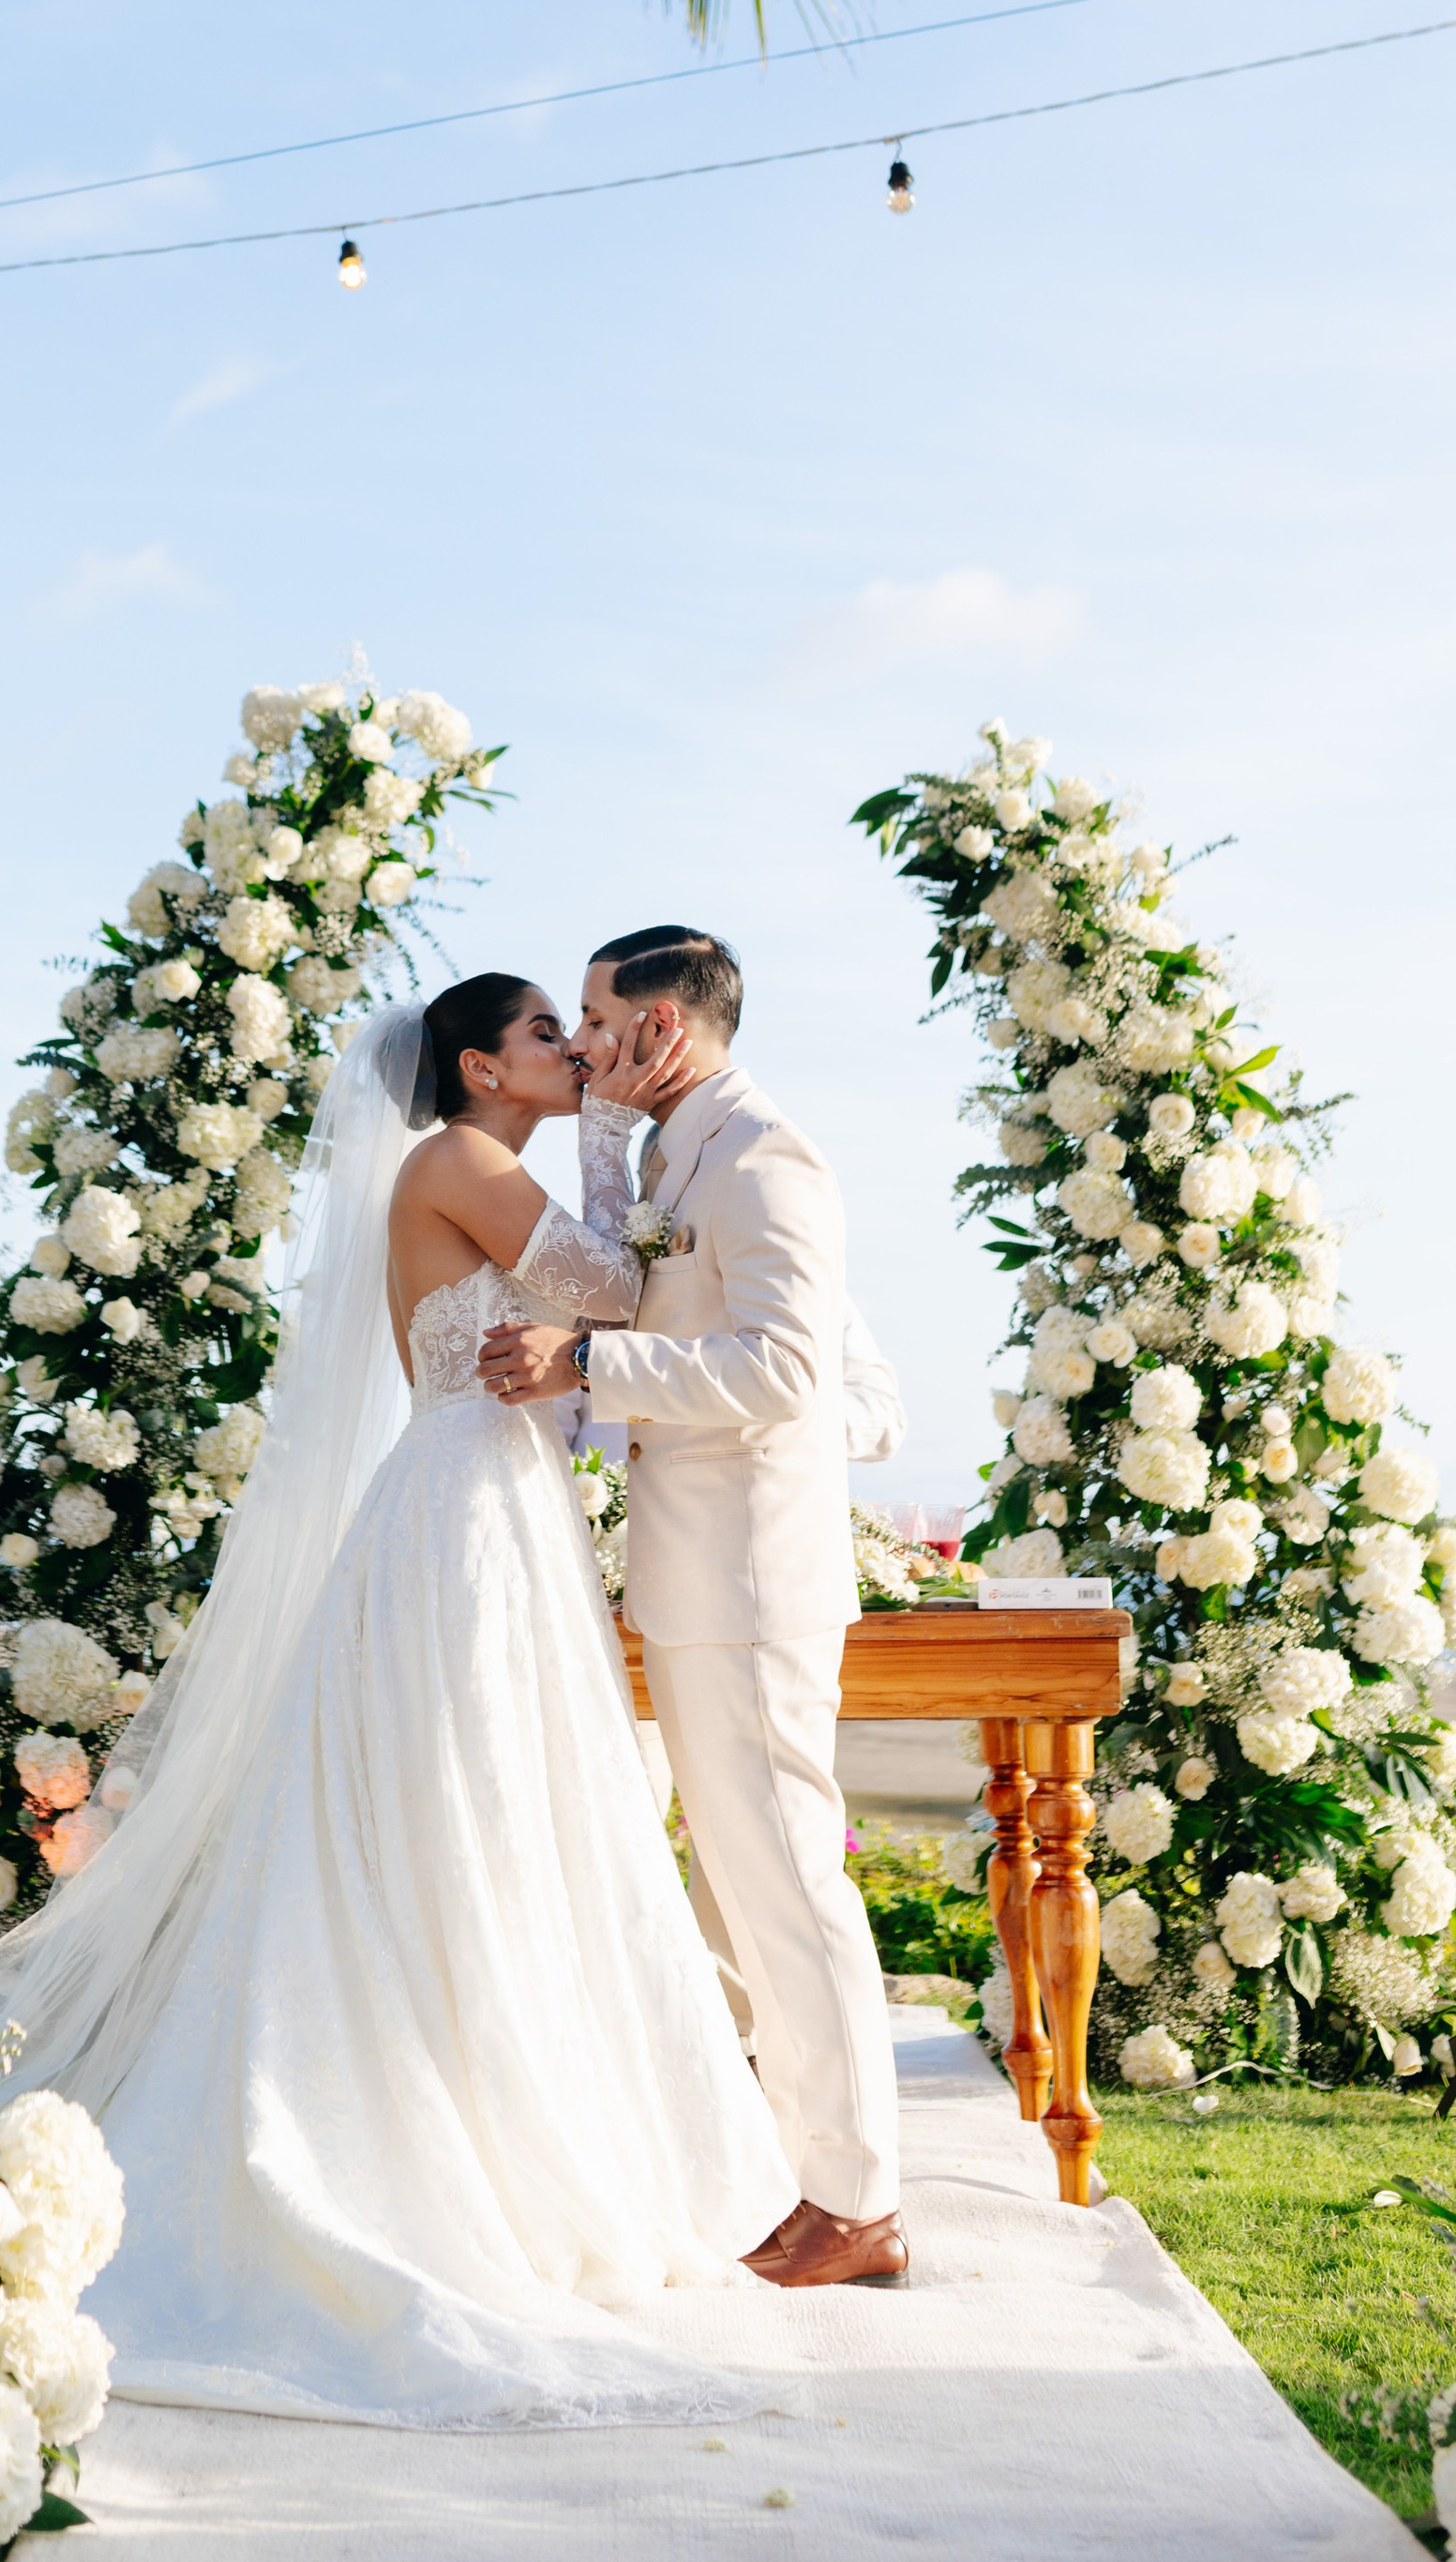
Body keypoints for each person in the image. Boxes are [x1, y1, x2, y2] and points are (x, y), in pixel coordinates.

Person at [0, 977, 803, 2429]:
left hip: (489, 1497)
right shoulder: (462, 1160)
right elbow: (619, 1292)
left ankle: (505, 2099)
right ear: (478, 1069)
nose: (572, 1051)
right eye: (542, 1038)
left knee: (502, 1810)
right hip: (466, 1510)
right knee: (470, 1809)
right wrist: (622, 1129)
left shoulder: (476, 1163)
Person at [479, 926, 907, 2289]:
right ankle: (802, 2179)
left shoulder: (768, 1153)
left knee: (788, 1886)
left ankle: (860, 2207)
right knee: (737, 1890)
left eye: (600, 1018)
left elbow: (788, 1369)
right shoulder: (677, 1155)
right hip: (695, 1576)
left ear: (664, 1028)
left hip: (751, 1581)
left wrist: (594, 1359)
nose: (587, 1043)